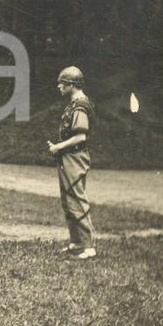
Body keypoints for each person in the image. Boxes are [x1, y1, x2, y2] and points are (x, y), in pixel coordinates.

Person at [47, 66, 97, 260]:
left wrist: (58, 147)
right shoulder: (74, 103)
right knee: (68, 201)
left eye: (62, 83)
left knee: (77, 199)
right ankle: (76, 242)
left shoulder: (80, 106)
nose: (59, 86)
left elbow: (80, 136)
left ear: (72, 85)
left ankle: (89, 246)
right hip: (68, 158)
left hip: (75, 158)